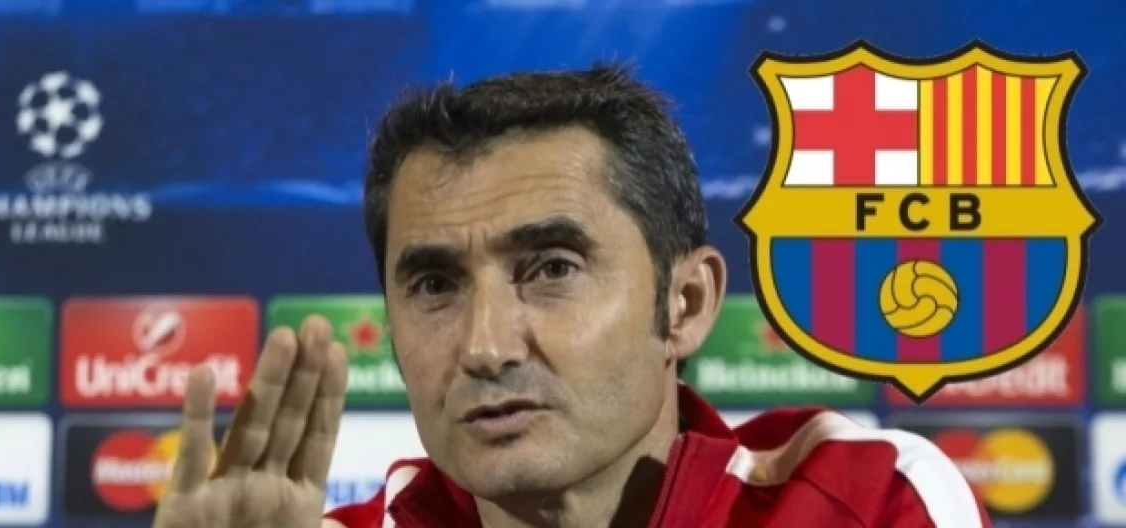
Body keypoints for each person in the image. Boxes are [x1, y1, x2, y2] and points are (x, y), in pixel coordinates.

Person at [153, 65, 992, 528]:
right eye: (436, 284)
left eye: (552, 269)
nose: (485, 346)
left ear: (686, 303)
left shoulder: (867, 501)